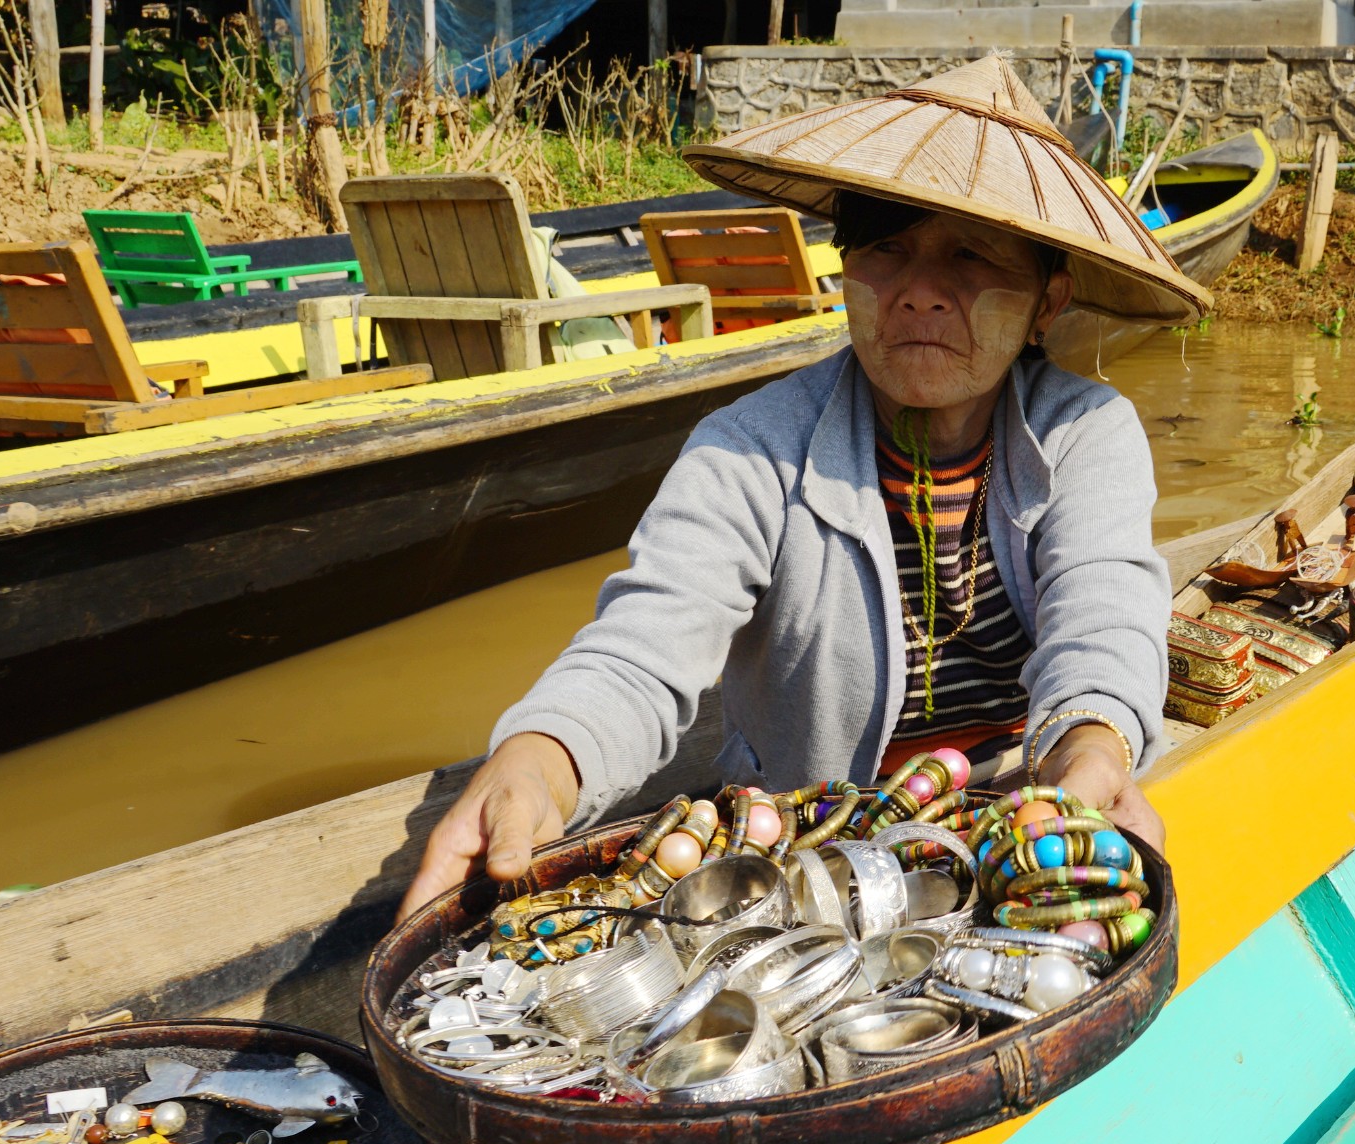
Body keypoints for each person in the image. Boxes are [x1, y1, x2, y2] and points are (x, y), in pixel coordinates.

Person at [402, 56, 1208, 918]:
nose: (920, 294)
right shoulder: (751, 449)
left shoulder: (1086, 432)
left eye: (972, 257)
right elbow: (641, 649)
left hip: (1014, 807)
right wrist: (536, 762)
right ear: (845, 270)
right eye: (886, 249)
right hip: (808, 840)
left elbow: (1104, 623)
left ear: (1048, 301)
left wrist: (1089, 755)